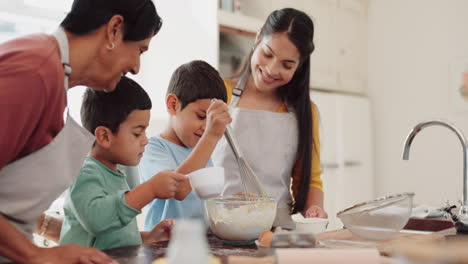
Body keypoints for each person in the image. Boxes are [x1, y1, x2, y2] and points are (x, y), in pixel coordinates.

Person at [0, 0, 162, 262]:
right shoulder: (34, 71)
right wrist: (33, 254)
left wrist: (58, 238)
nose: (136, 68)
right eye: (139, 51)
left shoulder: (53, 76)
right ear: (114, 30)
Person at [212, 8, 328, 228]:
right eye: (267, 54)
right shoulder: (220, 94)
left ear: (299, 65)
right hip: (222, 225)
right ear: (257, 39)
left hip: (277, 229)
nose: (271, 69)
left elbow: (309, 180)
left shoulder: (304, 113)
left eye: (287, 65)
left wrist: (315, 210)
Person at [59, 77, 185, 250]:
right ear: (104, 136)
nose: (145, 140)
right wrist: (150, 190)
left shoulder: (115, 174)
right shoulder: (85, 172)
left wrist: (149, 237)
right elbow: (97, 221)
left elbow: (113, 237)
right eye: (137, 133)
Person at [139, 60, 231, 230]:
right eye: (201, 116)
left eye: (210, 121)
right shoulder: (152, 149)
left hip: (198, 242)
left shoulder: (199, 150)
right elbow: (178, 189)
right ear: (173, 105)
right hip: (164, 247)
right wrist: (211, 136)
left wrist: (231, 204)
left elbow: (205, 206)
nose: (206, 127)